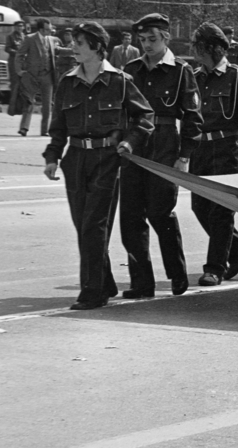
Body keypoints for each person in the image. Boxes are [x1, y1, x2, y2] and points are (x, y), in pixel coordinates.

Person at [41, 22, 156, 310]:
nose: (73, 48)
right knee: (84, 227)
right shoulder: (68, 82)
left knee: (94, 226)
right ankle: (104, 281)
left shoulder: (120, 81)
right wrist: (52, 157)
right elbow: (58, 126)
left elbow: (145, 118)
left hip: (107, 160)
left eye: (78, 43)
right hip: (75, 160)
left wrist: (129, 143)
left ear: (96, 46)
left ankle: (92, 292)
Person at [118, 13, 202, 299]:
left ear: (166, 37)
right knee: (130, 216)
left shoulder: (180, 71)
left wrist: (185, 156)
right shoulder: (131, 69)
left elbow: (192, 117)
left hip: (165, 147)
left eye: (152, 39)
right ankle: (141, 282)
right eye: (142, 40)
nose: (146, 45)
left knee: (160, 213)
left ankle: (176, 274)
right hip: (134, 147)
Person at [190, 23, 238, 286]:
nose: (193, 51)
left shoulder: (235, 76)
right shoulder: (196, 77)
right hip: (201, 151)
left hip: (226, 150)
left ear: (211, 48)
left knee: (221, 212)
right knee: (199, 207)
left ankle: (215, 268)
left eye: (198, 46)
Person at [16, 18, 59, 137]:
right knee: (29, 101)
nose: (50, 31)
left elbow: (57, 51)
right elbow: (20, 54)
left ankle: (44, 130)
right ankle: (24, 128)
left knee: (47, 105)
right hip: (32, 75)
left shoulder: (51, 40)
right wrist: (19, 70)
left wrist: (73, 51)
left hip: (47, 75)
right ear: (41, 29)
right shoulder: (30, 39)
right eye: (47, 29)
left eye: (50, 29)